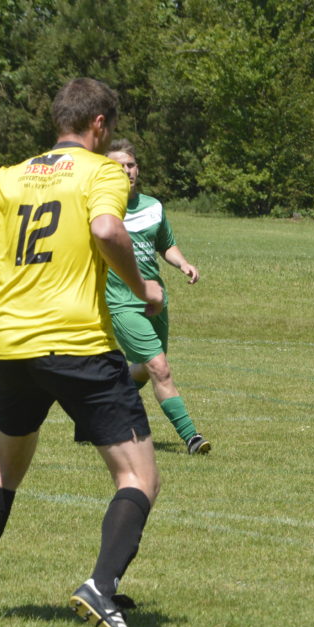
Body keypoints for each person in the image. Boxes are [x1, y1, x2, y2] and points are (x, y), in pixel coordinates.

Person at [0, 77, 164, 627]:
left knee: (4, 466)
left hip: (14, 348)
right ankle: (101, 587)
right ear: (99, 124)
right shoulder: (101, 172)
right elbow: (106, 229)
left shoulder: (8, 177)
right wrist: (142, 286)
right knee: (140, 476)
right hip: (78, 344)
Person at [105, 139, 211, 455]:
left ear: (138, 169)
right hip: (121, 302)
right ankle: (191, 437)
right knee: (159, 368)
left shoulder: (153, 207)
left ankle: (102, 410)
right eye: (118, 166)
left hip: (155, 300)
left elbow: (165, 244)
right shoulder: (98, 210)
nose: (126, 171)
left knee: (142, 366)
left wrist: (183, 264)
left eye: (130, 165)